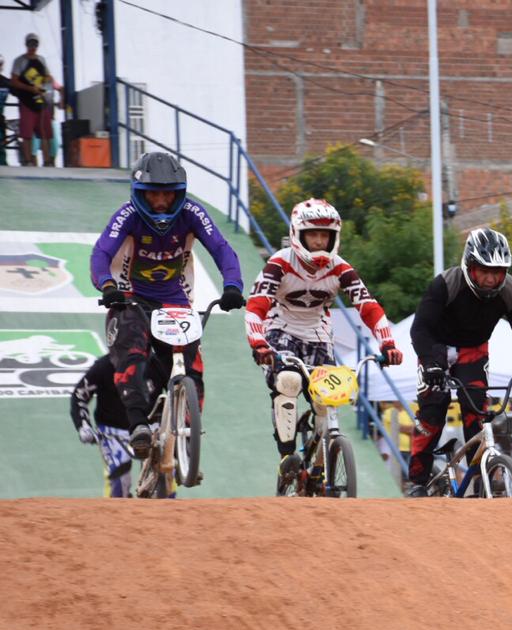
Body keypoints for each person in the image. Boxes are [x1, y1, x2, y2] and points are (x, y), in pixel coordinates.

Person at [91, 152, 245, 458]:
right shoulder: (127, 215)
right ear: (140, 193)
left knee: (192, 362)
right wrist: (107, 286)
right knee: (132, 350)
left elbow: (222, 249)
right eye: (153, 194)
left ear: (179, 194)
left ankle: (187, 431)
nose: (161, 201)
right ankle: (138, 424)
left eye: (168, 194)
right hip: (129, 295)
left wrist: (232, 286)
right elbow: (101, 253)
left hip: (174, 298)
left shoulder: (193, 213)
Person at [244, 198, 402, 493]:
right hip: (280, 333)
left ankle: (319, 464)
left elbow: (368, 306)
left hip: (319, 337)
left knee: (328, 397)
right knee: (288, 381)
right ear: (297, 234)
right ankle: (288, 457)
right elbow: (256, 306)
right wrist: (259, 343)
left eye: (325, 235)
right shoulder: (279, 263)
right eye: (313, 234)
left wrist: (388, 343)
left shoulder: (341, 268)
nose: (319, 241)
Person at [407, 227, 512, 495]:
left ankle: (480, 481)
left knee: (476, 410)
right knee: (433, 411)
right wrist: (430, 364)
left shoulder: (511, 289)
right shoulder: (445, 284)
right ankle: (418, 481)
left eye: (497, 272)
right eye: (484, 271)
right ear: (469, 266)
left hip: (474, 350)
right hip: (436, 347)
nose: (491, 279)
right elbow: (419, 329)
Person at [70, 355, 134, 498]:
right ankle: (114, 510)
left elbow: (177, 390)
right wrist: (83, 425)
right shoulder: (103, 366)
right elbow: (79, 395)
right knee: (119, 480)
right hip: (112, 430)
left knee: (167, 474)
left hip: (150, 427)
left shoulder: (153, 363)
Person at [10, 34, 61, 167]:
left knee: (45, 133)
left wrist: (46, 81)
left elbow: (48, 77)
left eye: (35, 44)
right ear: (26, 44)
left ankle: (47, 161)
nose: (32, 47)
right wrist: (29, 88)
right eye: (30, 44)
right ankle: (28, 161)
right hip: (26, 102)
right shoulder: (19, 61)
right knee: (26, 133)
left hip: (41, 102)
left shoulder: (41, 60)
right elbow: (14, 81)